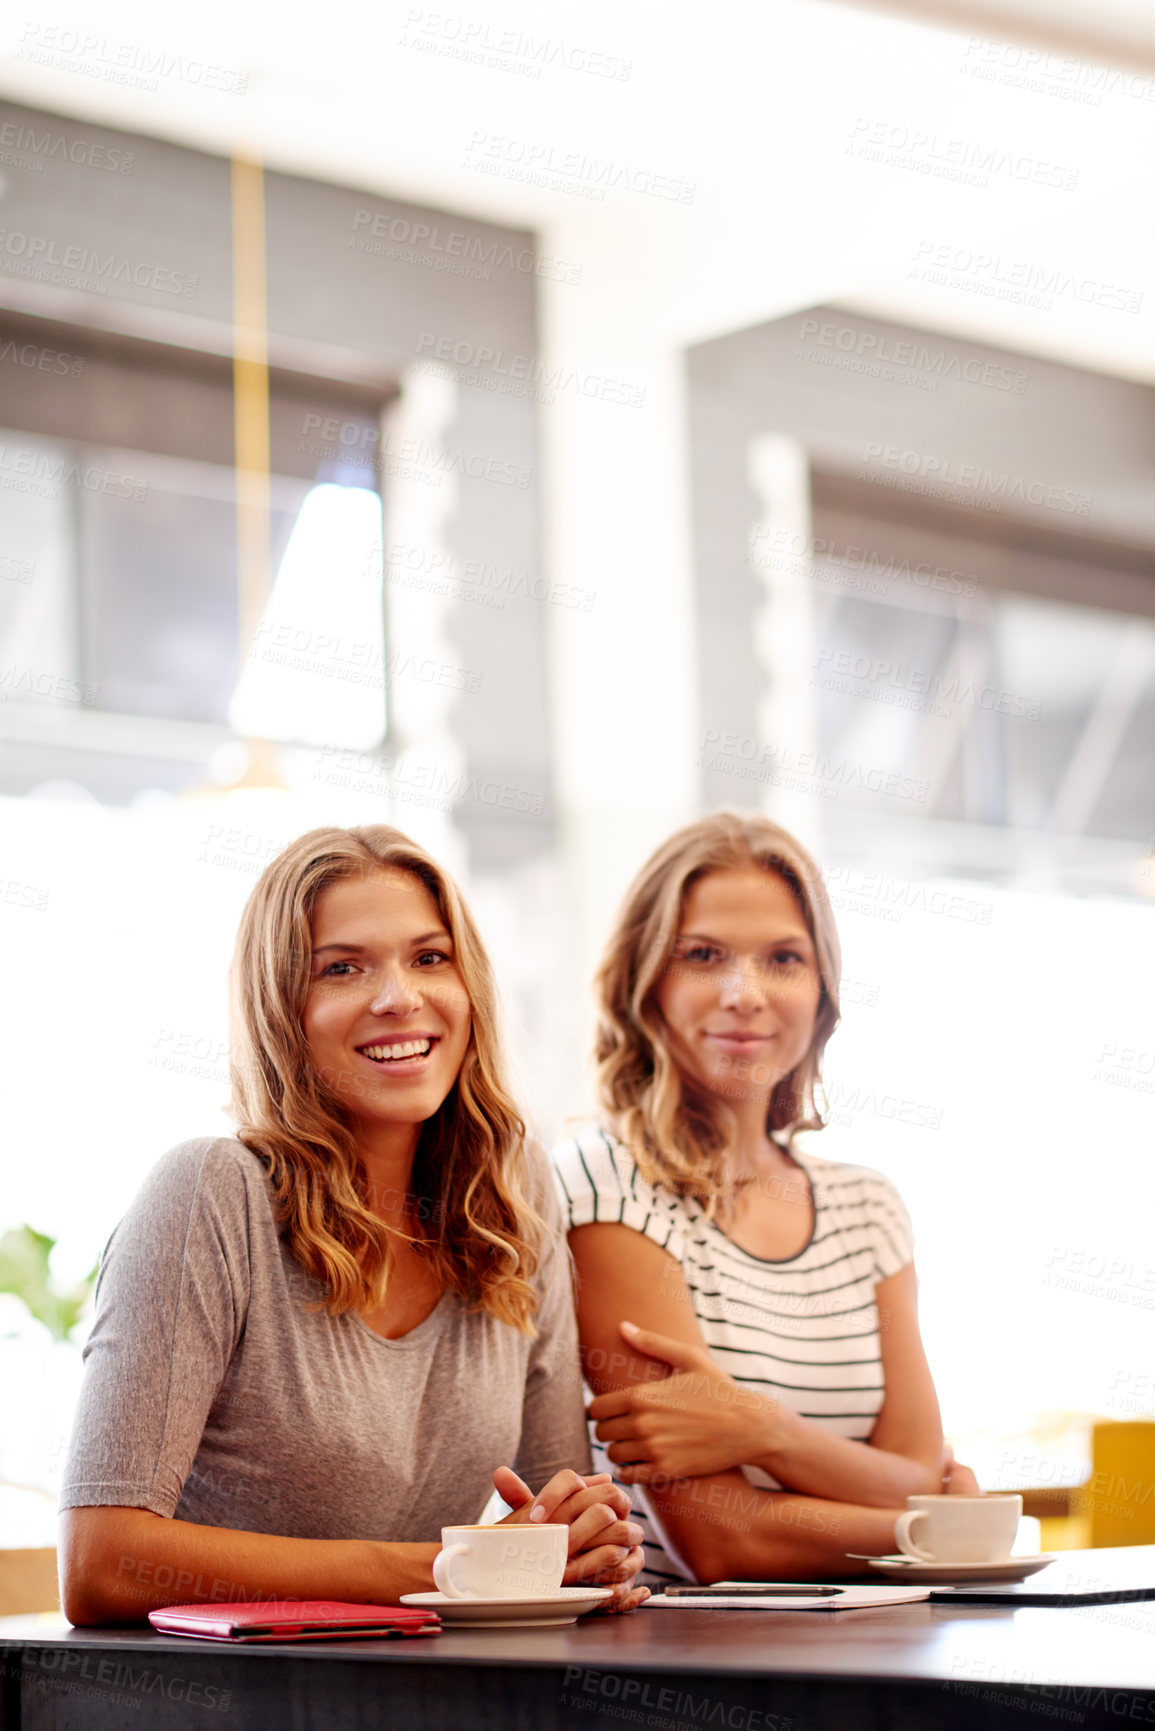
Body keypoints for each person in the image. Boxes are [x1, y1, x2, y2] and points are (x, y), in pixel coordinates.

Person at [59, 825, 647, 1624]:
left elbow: (556, 1527)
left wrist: (589, 1544)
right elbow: (101, 1560)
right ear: (280, 1011)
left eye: (429, 957)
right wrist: (444, 1566)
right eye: (341, 967)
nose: (398, 996)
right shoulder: (210, 1192)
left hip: (418, 1688)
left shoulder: (516, 1195)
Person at [553, 812, 977, 1586]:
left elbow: (919, 1467)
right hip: (687, 1672)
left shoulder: (869, 1209)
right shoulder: (603, 1181)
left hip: (891, 1648)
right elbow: (719, 1542)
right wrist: (937, 1528)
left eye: (783, 957)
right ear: (644, 981)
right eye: (703, 954)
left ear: (820, 993)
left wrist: (760, 1429)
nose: (744, 993)